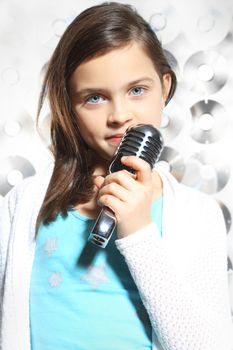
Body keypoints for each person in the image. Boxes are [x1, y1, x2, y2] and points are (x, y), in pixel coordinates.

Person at [0, 2, 232, 350]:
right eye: (94, 98)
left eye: (137, 90)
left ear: (165, 86)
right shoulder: (25, 204)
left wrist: (139, 233)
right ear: (68, 104)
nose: (120, 115)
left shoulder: (199, 216)